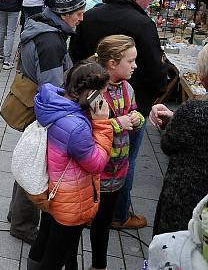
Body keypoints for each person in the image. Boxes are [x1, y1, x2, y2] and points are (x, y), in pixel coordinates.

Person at [69, 0, 166, 230]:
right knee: (124, 160)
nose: (152, 2)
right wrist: (155, 94)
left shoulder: (92, 15)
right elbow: (157, 70)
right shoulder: (143, 24)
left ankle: (89, 207)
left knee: (92, 157)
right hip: (129, 105)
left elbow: (75, 54)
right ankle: (118, 214)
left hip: (90, 101)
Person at [8, 0, 87, 244]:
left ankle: (17, 216)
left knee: (29, 162)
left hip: (31, 104)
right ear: (65, 13)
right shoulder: (51, 41)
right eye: (78, 12)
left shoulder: (42, 27)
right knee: (35, 167)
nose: (81, 17)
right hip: (41, 113)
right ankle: (23, 224)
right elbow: (52, 92)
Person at [27, 61, 113, 269]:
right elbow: (96, 163)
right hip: (70, 199)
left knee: (45, 238)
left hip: (54, 188)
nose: (103, 98)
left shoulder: (51, 102)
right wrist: (102, 123)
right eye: (102, 93)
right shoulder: (76, 126)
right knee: (57, 254)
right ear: (90, 94)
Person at [89, 35, 145, 270]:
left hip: (117, 171)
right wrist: (116, 124)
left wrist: (137, 118)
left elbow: (134, 112)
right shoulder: (93, 89)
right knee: (87, 219)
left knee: (103, 222)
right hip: (95, 172)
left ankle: (98, 265)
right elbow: (84, 127)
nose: (135, 66)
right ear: (112, 63)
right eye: (130, 61)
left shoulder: (127, 87)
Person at [150, 46, 208, 235]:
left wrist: (177, 121)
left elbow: (168, 144)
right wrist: (176, 118)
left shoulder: (194, 111)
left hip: (188, 201)